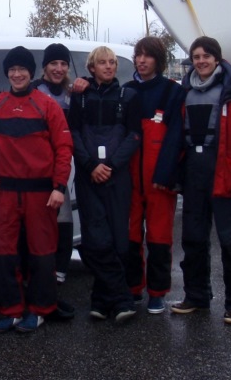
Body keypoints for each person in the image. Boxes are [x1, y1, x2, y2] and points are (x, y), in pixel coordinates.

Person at [161, 36, 231, 325]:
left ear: (217, 58)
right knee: (192, 240)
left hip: (227, 180)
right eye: (196, 57)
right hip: (194, 177)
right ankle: (196, 296)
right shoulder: (185, 91)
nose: (201, 61)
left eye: (206, 56)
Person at [0, 46, 74, 334]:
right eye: (12, 70)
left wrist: (59, 186)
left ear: (30, 73)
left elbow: (63, 148)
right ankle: (11, 311)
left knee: (42, 252)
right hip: (7, 192)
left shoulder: (47, 106)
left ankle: (40, 309)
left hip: (41, 193)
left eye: (22, 69)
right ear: (7, 73)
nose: (17, 74)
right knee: (0, 250)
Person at [68, 46, 142, 322]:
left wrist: (111, 166)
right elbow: (73, 133)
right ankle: (122, 299)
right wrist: (90, 166)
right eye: (102, 63)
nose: (109, 67)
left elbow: (135, 135)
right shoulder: (81, 97)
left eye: (112, 62)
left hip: (117, 176)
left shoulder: (128, 96)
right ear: (92, 68)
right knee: (95, 240)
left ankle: (101, 300)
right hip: (89, 177)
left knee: (118, 241)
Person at [122, 36, 184, 314]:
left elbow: (177, 136)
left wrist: (168, 174)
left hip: (159, 177)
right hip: (130, 177)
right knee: (131, 235)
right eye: (138, 55)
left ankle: (157, 292)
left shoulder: (172, 91)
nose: (142, 61)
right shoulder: (127, 90)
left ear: (158, 60)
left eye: (148, 56)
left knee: (159, 237)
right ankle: (133, 287)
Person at [30, 43, 89, 321]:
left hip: (66, 169)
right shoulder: (32, 91)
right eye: (53, 63)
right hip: (36, 172)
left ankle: (59, 279)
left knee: (63, 227)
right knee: (41, 229)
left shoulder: (72, 93)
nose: (58, 68)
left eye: (63, 64)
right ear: (44, 67)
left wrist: (85, 86)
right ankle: (40, 282)